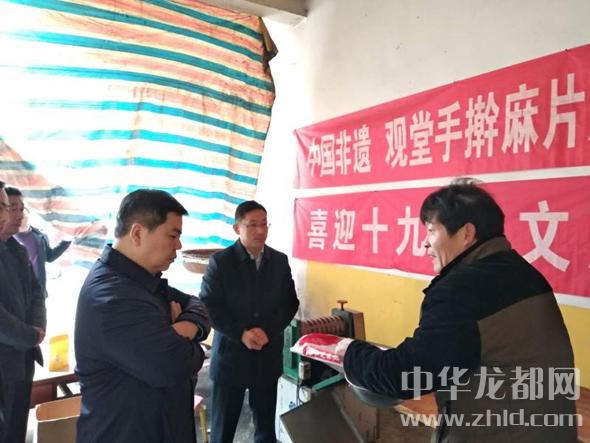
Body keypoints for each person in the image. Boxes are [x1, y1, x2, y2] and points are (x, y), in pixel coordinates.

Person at [336, 179, 577, 442]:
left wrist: (352, 353)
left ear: (466, 234)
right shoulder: (527, 275)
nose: (425, 243)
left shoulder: (461, 290)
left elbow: (408, 374)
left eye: (431, 231)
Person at [74, 189, 210, 443]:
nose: (179, 246)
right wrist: (194, 347)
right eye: (172, 235)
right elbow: (175, 365)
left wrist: (184, 328)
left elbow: (196, 304)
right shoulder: (112, 297)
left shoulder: (140, 281)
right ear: (137, 233)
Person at [200, 200, 299, 443]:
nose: (260, 231)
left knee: (265, 428)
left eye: (264, 224)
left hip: (266, 355)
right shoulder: (221, 262)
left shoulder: (278, 261)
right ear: (237, 228)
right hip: (231, 357)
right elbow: (209, 306)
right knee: (223, 430)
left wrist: (269, 330)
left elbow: (290, 302)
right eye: (252, 225)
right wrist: (242, 333)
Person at [0, 184, 46, 443]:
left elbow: (37, 292)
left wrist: (38, 328)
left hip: (23, 356)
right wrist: (29, 335)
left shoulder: (17, 250)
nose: (12, 214)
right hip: (6, 357)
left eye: (18, 208)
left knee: (17, 424)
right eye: (7, 207)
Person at [14, 203, 72, 297]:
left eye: (22, 212)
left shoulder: (40, 236)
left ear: (28, 214)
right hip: (17, 292)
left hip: (38, 290)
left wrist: (66, 241)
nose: (20, 216)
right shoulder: (7, 239)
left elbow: (49, 257)